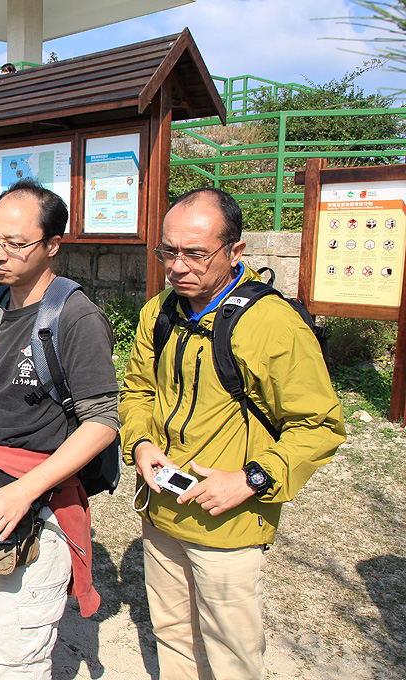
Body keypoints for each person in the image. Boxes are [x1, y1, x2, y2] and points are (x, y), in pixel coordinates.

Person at [120, 187, 345, 680]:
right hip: (161, 513)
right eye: (168, 252)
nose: (178, 266)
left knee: (231, 653)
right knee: (173, 635)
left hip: (230, 525)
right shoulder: (159, 312)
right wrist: (140, 444)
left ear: (235, 251)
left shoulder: (272, 324)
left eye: (196, 254)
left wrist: (251, 479)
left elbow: (321, 425)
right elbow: (136, 390)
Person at [0, 179, 119, 680]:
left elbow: (101, 421)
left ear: (52, 246)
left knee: (17, 657)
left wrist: (25, 492)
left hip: (37, 509)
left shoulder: (76, 317)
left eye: (16, 244)